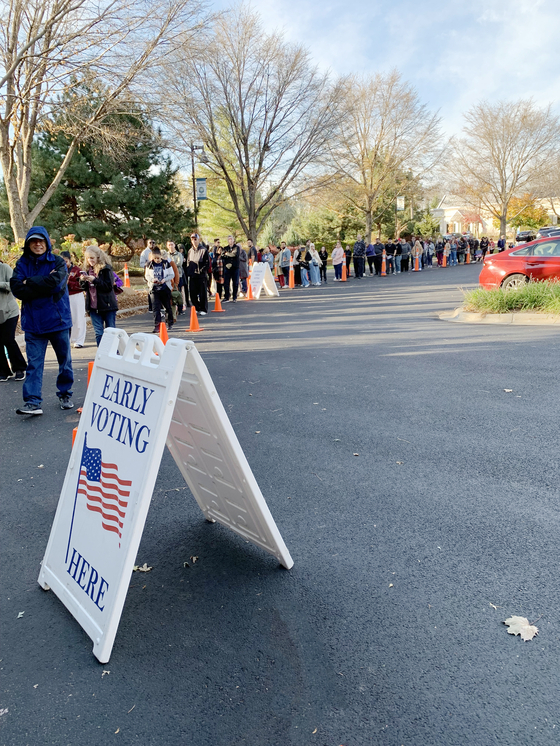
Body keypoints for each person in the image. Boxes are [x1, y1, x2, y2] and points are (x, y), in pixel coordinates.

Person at [10, 226, 74, 414]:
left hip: (58, 321)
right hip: (33, 324)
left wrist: (29, 281)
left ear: (46, 242)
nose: (38, 244)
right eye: (34, 241)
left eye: (41, 241)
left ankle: (65, 394)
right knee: (34, 364)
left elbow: (55, 285)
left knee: (65, 361)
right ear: (28, 244)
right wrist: (43, 281)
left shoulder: (58, 262)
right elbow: (16, 289)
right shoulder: (22, 264)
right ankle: (32, 402)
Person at [80, 245, 119, 345]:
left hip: (107, 305)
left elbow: (108, 287)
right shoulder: (88, 270)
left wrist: (95, 280)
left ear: (98, 257)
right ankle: (101, 354)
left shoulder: (106, 269)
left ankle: (113, 354)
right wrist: (82, 281)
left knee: (111, 331)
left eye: (92, 258)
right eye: (88, 258)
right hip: (93, 306)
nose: (90, 260)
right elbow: (85, 288)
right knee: (98, 333)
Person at [0, 258, 27, 382]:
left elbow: (13, 285)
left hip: (10, 311)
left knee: (8, 339)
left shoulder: (4, 267)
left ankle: (19, 368)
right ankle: (4, 371)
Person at [144, 247, 175, 331]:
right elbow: (147, 276)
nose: (157, 260)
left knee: (167, 306)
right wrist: (152, 280)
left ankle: (170, 322)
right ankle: (157, 325)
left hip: (164, 287)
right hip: (154, 289)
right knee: (156, 308)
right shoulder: (149, 265)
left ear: (161, 256)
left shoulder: (166, 264)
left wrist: (165, 279)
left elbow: (172, 274)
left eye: (158, 258)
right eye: (155, 258)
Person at [61, 251, 86, 348]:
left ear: (70, 260)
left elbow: (81, 286)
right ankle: (68, 339)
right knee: (66, 318)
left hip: (76, 295)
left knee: (78, 318)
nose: (64, 264)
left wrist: (69, 283)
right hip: (64, 296)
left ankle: (79, 340)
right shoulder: (59, 270)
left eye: (66, 261)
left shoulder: (76, 270)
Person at [186, 233, 210, 314]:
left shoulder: (203, 250)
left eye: (195, 239)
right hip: (193, 276)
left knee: (202, 293)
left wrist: (201, 271)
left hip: (201, 275)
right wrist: (189, 271)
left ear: (198, 240)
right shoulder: (190, 251)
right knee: (192, 294)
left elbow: (207, 263)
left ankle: (203, 309)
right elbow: (188, 262)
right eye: (192, 239)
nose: (194, 241)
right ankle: (197, 307)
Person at [223, 235, 240, 302]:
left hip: (235, 267)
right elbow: (222, 255)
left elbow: (235, 255)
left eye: (231, 239)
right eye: (229, 239)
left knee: (235, 283)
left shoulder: (236, 247)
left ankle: (234, 297)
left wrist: (227, 254)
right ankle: (227, 297)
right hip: (227, 267)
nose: (230, 240)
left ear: (233, 240)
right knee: (226, 283)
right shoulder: (225, 248)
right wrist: (227, 254)